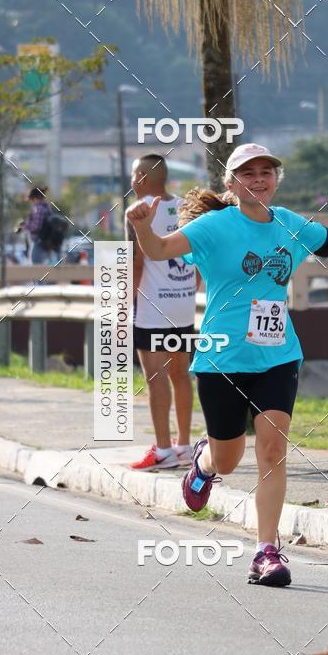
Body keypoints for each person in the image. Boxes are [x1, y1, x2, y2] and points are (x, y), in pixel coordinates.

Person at [126, 142, 328, 587]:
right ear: (232, 183)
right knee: (229, 459)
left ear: (276, 179)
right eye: (248, 173)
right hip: (223, 357)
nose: (259, 178)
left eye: (266, 171)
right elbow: (163, 249)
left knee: (272, 450)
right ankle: (204, 463)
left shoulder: (290, 224)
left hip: (278, 356)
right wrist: (143, 230)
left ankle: (267, 552)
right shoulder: (214, 226)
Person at [125, 154, 198, 470]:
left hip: (153, 307)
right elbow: (199, 255)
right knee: (180, 375)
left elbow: (138, 261)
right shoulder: (186, 208)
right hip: (182, 304)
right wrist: (190, 286)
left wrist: (127, 302)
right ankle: (183, 445)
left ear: (140, 177)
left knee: (155, 378)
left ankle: (164, 450)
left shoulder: (139, 212)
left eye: (132, 174)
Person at [15, 186, 61, 265]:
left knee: (36, 267)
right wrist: (27, 224)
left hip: (39, 242)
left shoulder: (38, 209)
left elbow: (37, 226)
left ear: (35, 198)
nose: (31, 202)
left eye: (31, 200)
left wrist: (24, 227)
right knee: (46, 267)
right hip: (47, 242)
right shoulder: (47, 207)